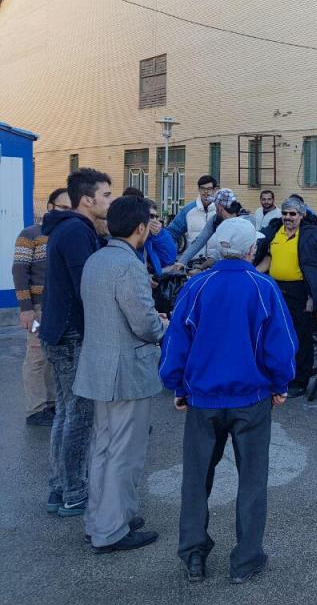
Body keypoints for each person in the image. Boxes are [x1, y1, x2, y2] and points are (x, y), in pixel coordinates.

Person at [160, 220, 296, 584]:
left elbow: (175, 342)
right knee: (252, 479)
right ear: (252, 250)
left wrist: (177, 386)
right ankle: (246, 560)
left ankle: (193, 554)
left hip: (203, 399)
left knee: (196, 478)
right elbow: (281, 345)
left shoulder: (196, 286)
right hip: (251, 399)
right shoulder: (263, 286)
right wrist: (280, 383)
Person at [73, 196, 167, 553]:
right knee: (124, 453)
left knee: (103, 447)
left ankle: (102, 518)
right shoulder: (129, 265)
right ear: (140, 228)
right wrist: (162, 325)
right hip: (126, 371)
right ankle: (111, 529)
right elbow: (143, 323)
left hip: (99, 367)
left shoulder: (96, 258)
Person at [40, 168, 113, 517]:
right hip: (70, 336)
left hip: (61, 332)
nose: (110, 202)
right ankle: (73, 491)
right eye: (106, 195)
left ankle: (59, 487)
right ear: (87, 199)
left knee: (67, 413)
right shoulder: (75, 232)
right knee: (78, 417)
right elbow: (88, 287)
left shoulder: (70, 228)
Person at [255, 197, 317, 396]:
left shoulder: (311, 235)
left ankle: (300, 380)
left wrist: (312, 296)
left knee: (301, 336)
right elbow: (268, 259)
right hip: (276, 289)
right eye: (285, 213)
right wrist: (250, 274)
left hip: (300, 292)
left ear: (302, 215)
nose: (288, 217)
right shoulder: (275, 232)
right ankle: (278, 374)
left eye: (293, 214)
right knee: (275, 333)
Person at [12, 187, 68, 426]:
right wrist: (26, 308)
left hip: (60, 308)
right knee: (36, 356)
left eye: (70, 208)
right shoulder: (30, 234)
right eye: (62, 207)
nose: (66, 212)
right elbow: (20, 271)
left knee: (53, 356)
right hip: (38, 308)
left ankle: (52, 404)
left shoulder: (67, 234)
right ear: (50, 207)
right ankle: (35, 410)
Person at [178, 188, 248, 266]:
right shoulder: (216, 219)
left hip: (243, 265)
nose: (214, 207)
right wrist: (181, 262)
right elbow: (199, 241)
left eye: (215, 204)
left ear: (220, 208)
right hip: (223, 264)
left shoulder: (245, 222)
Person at [166, 175, 218, 247]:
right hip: (194, 254)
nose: (206, 192)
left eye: (209, 189)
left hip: (217, 255)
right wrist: (173, 250)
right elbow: (172, 232)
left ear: (214, 190)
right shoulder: (188, 209)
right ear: (199, 189)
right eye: (202, 188)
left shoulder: (220, 210)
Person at [140, 199, 177, 277]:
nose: (155, 220)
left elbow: (169, 260)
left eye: (156, 217)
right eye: (151, 216)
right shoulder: (134, 237)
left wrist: (158, 235)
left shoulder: (154, 236)